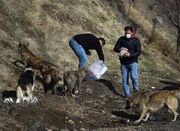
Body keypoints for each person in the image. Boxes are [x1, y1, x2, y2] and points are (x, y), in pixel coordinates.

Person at [114, 26, 141, 98]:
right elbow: (115, 48)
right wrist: (121, 48)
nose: (127, 34)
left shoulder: (136, 40)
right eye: (126, 33)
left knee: (134, 77)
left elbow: (138, 52)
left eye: (128, 33)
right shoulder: (121, 39)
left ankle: (136, 91)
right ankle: (127, 95)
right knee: (124, 79)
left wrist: (130, 54)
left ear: (132, 32)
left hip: (133, 62)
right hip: (123, 62)